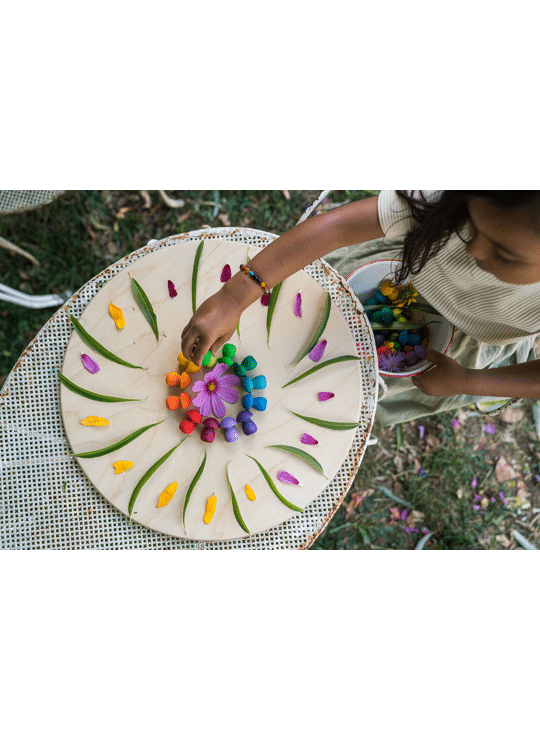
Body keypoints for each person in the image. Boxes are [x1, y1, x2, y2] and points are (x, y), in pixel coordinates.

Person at [181, 191, 540, 426]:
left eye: (504, 253)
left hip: (462, 343)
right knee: (291, 332)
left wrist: (467, 381)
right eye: (471, 225)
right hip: (395, 271)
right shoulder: (471, 197)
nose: (474, 250)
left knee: (343, 394)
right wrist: (235, 296)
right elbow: (338, 228)